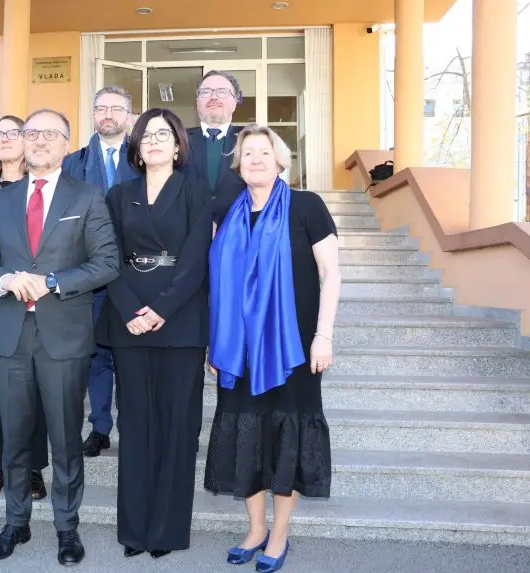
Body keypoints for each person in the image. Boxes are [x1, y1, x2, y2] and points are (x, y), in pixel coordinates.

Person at [0, 108, 119, 565]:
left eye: (50, 134)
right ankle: (15, 523)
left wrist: (53, 281)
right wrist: (5, 280)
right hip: (10, 335)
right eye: (31, 132)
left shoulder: (88, 197)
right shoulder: (2, 200)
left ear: (66, 144)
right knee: (14, 438)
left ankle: (66, 528)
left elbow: (107, 263)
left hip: (64, 337)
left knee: (65, 440)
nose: (39, 141)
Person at [204, 125, 341, 573]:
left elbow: (331, 274)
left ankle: (279, 534)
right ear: (238, 164)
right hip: (239, 351)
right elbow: (219, 287)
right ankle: (255, 528)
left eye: (265, 152)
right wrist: (215, 344)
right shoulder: (227, 212)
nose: (256, 159)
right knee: (246, 435)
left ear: (281, 161)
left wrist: (323, 335)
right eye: (248, 153)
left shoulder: (307, 206)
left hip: (292, 350)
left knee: (287, 438)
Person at [95, 108, 212, 558]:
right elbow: (108, 257)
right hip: (128, 320)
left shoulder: (196, 191)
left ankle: (166, 532)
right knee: (136, 425)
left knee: (177, 428)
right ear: (137, 148)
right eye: (147, 136)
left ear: (179, 146)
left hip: (180, 320)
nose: (155, 141)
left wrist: (161, 308)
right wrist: (131, 309)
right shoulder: (119, 194)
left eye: (164, 135)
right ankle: (134, 530)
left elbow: (196, 259)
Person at [62, 86, 140, 457]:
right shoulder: (73, 164)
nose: (108, 114)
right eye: (101, 108)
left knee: (130, 355)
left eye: (116, 108)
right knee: (96, 355)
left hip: (134, 274)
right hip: (89, 275)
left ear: (129, 116)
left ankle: (132, 426)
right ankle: (100, 427)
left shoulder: (143, 159)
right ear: (93, 115)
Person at [0, 115, 49, 502]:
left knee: (34, 389)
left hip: (36, 302)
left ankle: (33, 468)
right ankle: (4, 465)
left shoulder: (43, 186)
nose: (4, 139)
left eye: (13, 133)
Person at [182, 70, 245, 227]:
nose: (214, 97)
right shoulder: (178, 139)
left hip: (239, 230)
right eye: (206, 92)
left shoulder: (250, 139)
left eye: (222, 92)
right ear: (197, 102)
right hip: (187, 230)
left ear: (235, 101)